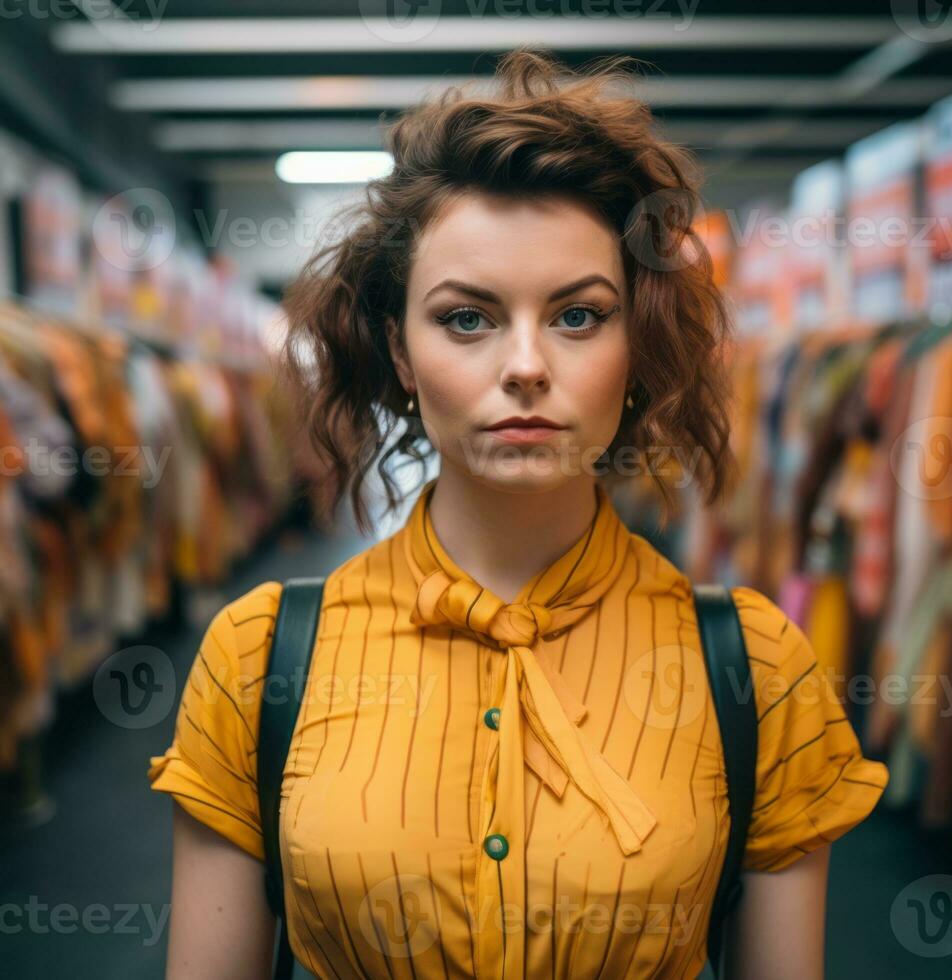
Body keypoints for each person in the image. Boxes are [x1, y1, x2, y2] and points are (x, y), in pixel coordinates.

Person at [147, 48, 889, 980]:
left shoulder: (755, 668)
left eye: (579, 316)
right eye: (467, 318)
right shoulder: (259, 661)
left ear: (638, 347)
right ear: (401, 354)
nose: (527, 364)